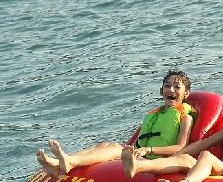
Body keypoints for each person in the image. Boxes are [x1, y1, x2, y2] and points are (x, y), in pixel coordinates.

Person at [36, 70, 196, 176]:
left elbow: (180, 147)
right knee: (106, 144)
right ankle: (61, 162)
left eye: (177, 87)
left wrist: (149, 149)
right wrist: (133, 150)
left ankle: (70, 162)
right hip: (141, 155)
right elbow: (139, 140)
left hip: (156, 160)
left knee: (114, 149)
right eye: (167, 86)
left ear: (186, 93)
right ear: (161, 91)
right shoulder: (156, 114)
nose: (171, 90)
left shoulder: (185, 117)